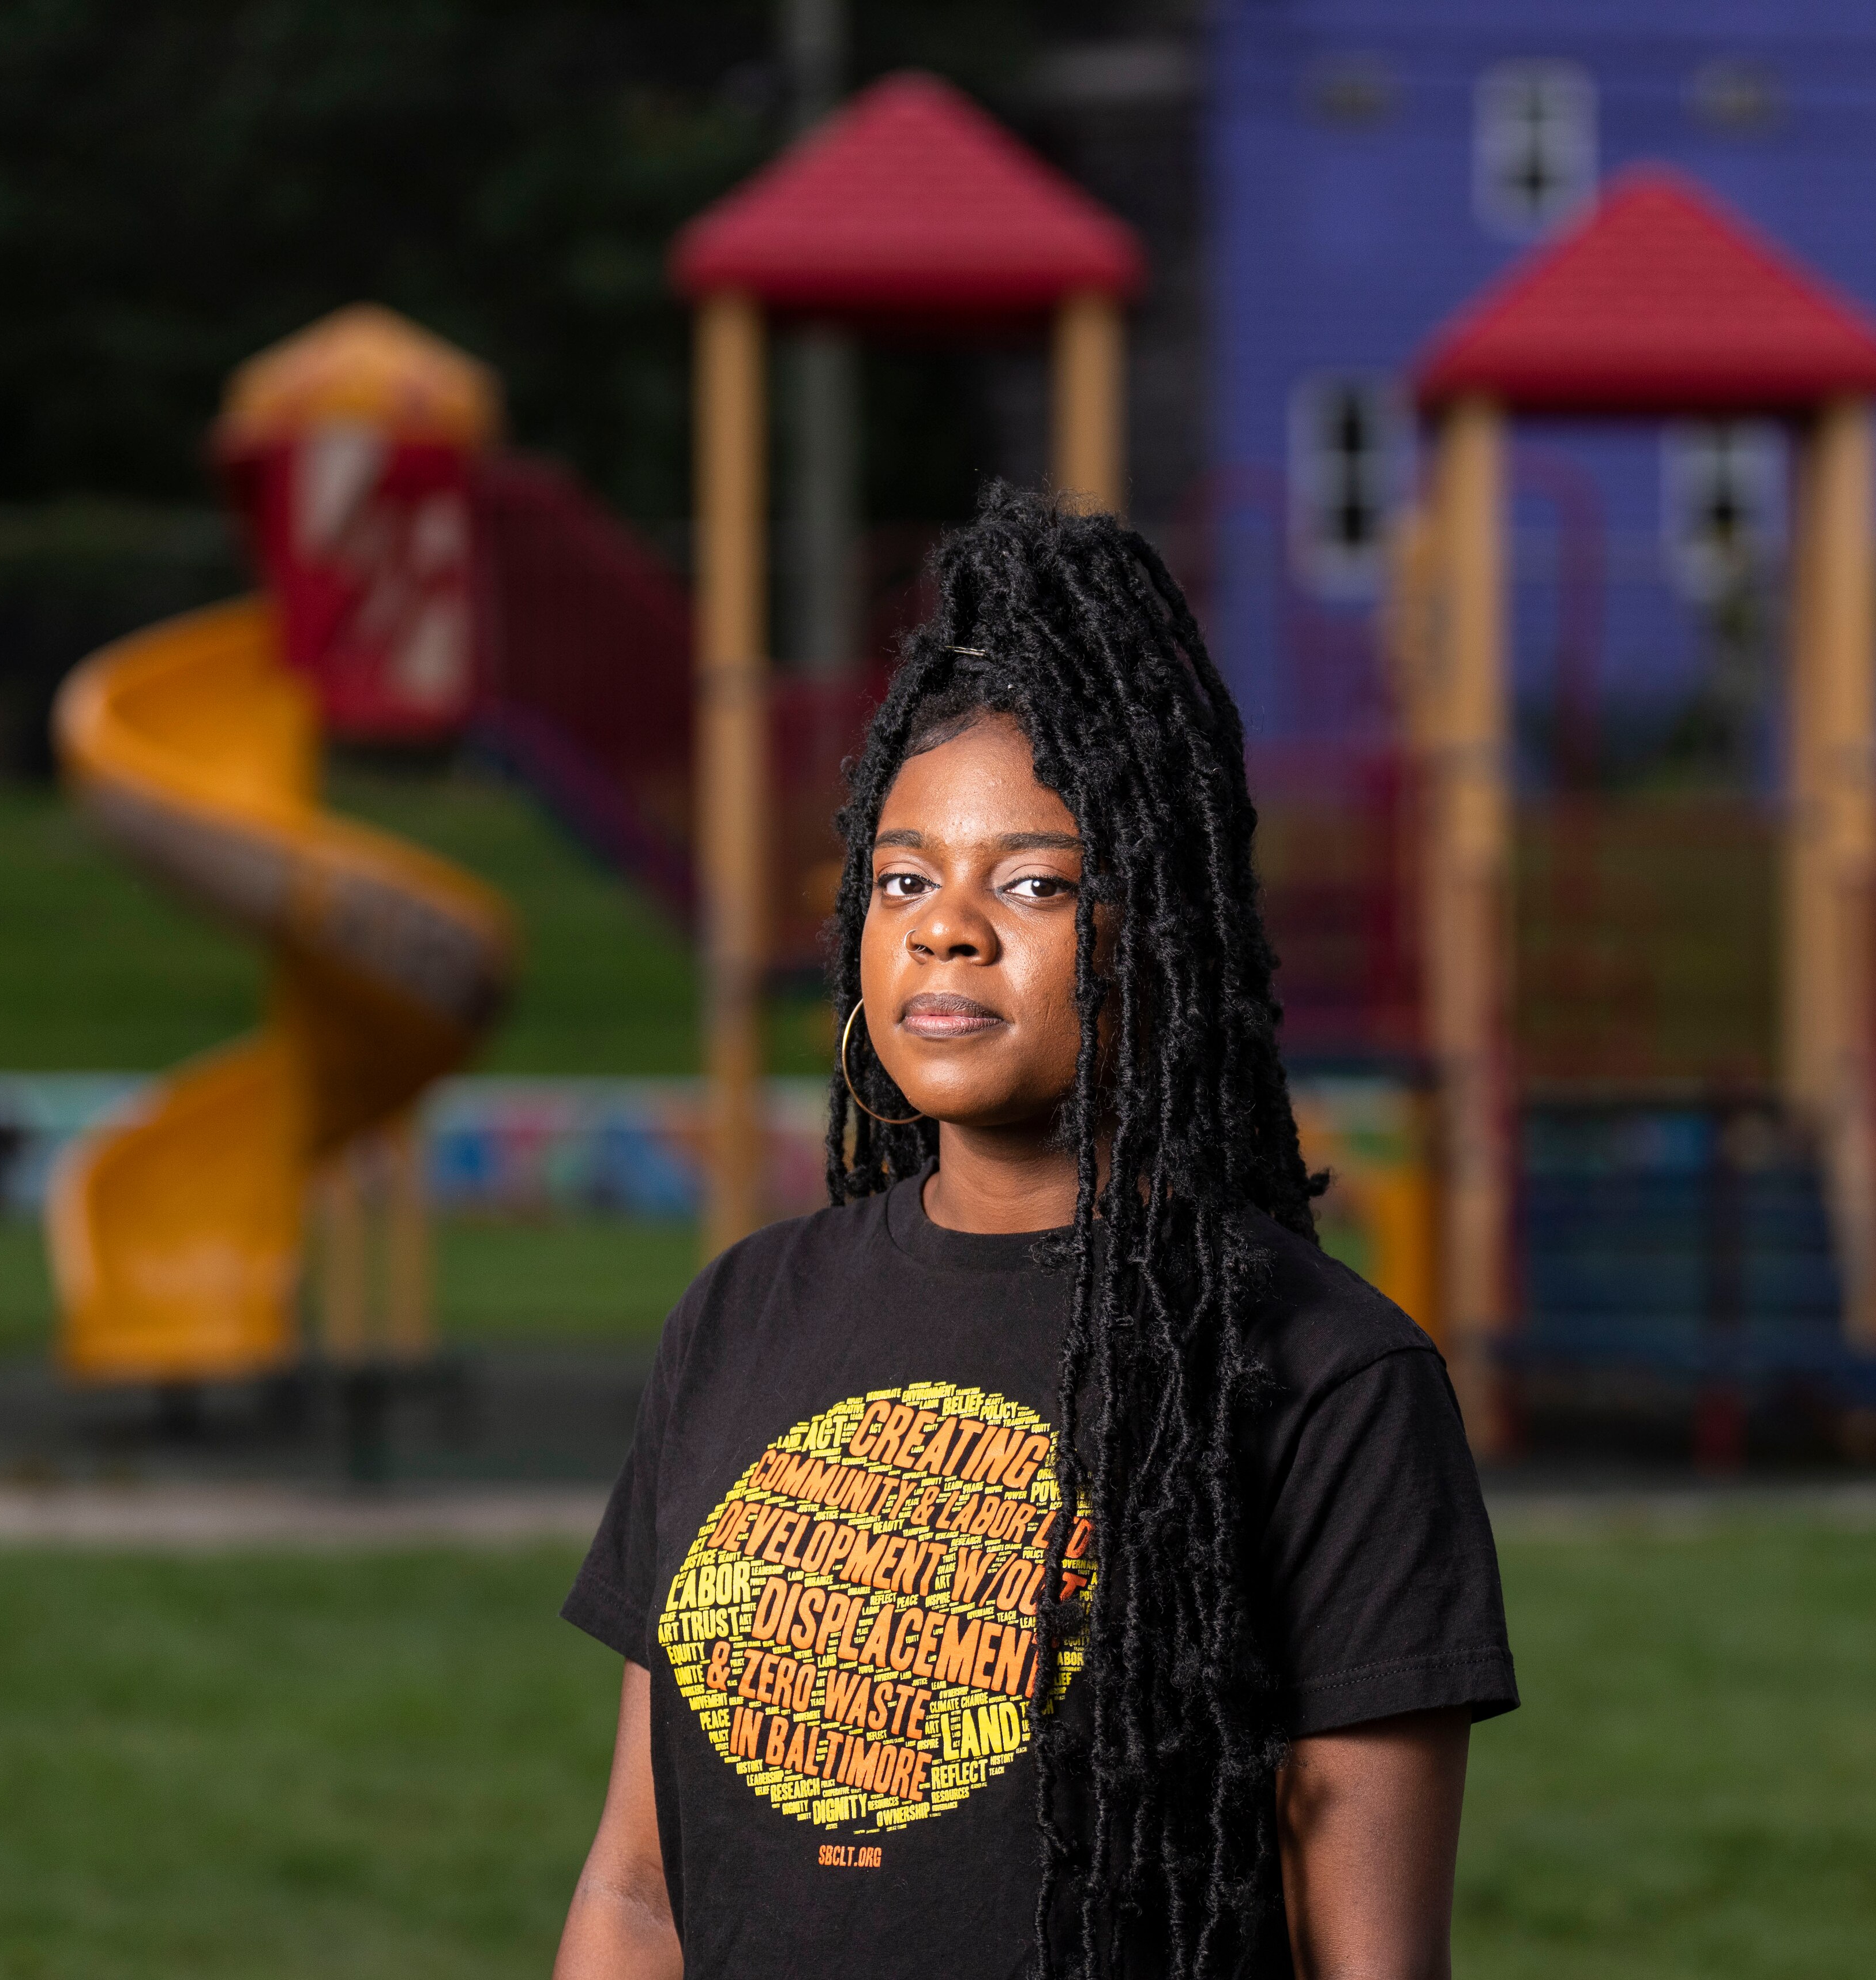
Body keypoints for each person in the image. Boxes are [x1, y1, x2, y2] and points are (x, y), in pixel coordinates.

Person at [553, 487, 1517, 1979]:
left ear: (1165, 930)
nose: (947, 927)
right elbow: (635, 1889)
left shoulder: (1324, 1377)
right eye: (901, 878)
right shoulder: (745, 1316)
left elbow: (1372, 1961)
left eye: (1035, 882)